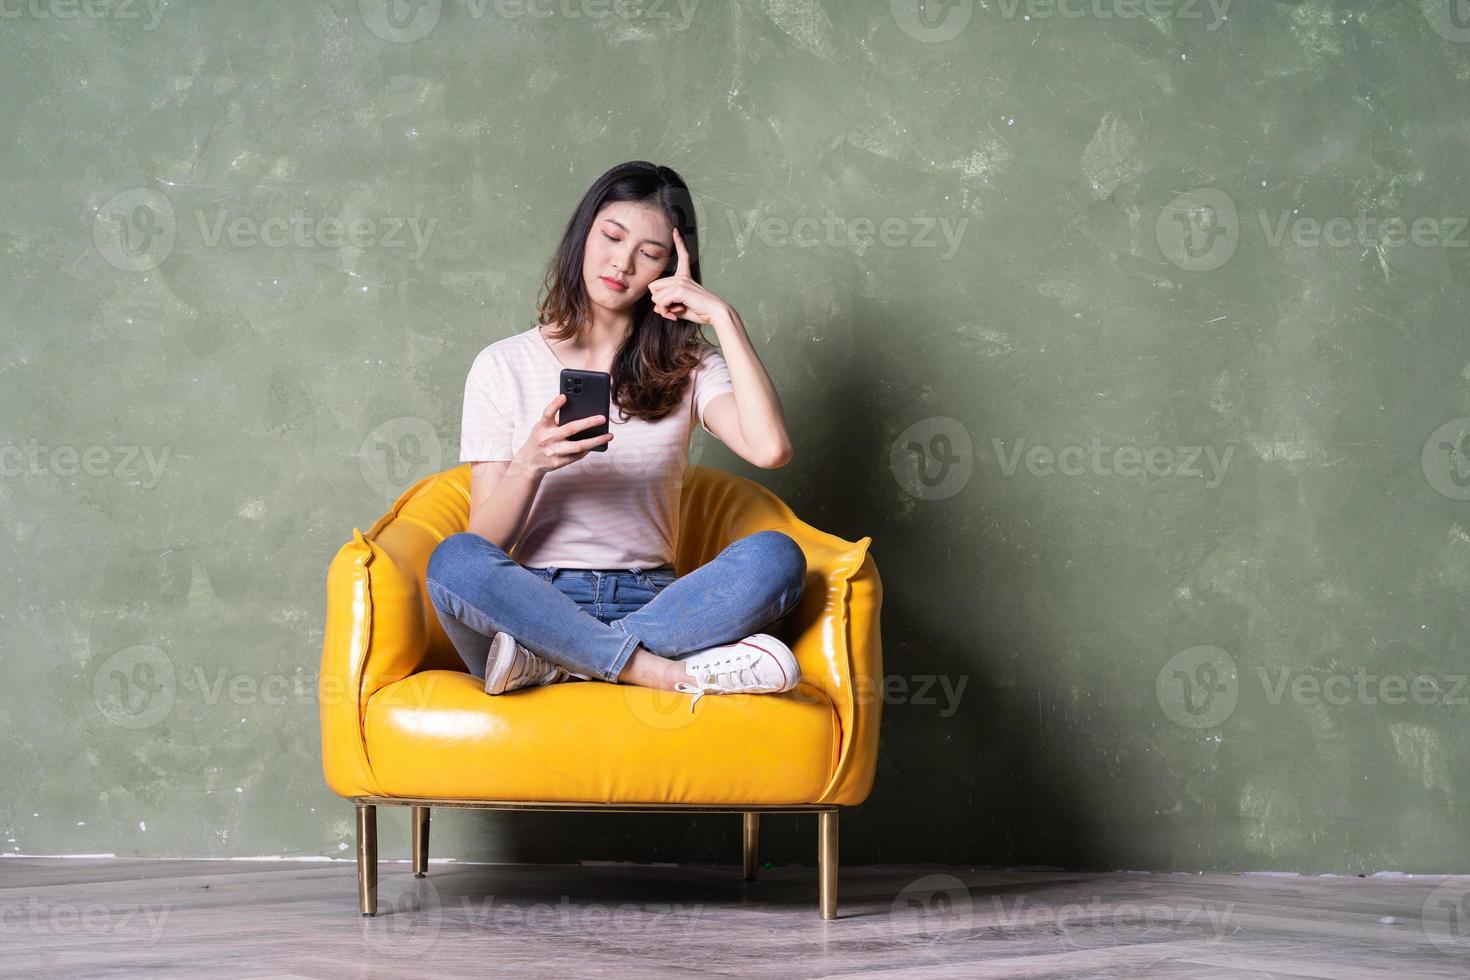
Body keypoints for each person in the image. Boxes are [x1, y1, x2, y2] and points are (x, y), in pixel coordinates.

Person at [426, 161, 807, 711]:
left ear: (673, 266)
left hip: (656, 600)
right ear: (584, 234)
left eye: (650, 253)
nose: (622, 263)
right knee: (454, 560)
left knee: (777, 557)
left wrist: (723, 317)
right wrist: (530, 464)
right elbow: (483, 546)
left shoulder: (689, 366)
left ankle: (560, 666)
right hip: (533, 604)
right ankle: (658, 672)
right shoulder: (502, 364)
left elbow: (770, 449)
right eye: (612, 236)